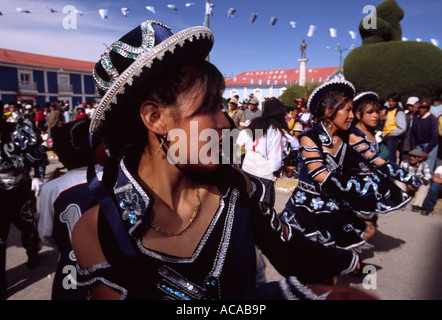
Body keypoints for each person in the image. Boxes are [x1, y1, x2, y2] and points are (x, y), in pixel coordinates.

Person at [71, 20, 365, 300]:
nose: (225, 124)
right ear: (155, 118)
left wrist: (346, 260)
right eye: (208, 107)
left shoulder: (235, 185)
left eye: (222, 106)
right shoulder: (100, 229)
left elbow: (293, 252)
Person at [280, 80, 380, 254]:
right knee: (312, 265)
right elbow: (319, 174)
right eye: (347, 110)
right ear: (329, 112)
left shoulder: (349, 138)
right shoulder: (309, 137)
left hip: (337, 207)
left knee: (335, 263)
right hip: (308, 210)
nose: (352, 116)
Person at [38, 118, 104, 300]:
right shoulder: (115, 176)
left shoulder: (52, 188)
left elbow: (45, 234)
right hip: (113, 264)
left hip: (71, 266)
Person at [347, 92, 422, 243]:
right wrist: (407, 177)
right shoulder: (353, 135)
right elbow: (377, 161)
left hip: (374, 185)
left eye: (377, 111)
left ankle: (354, 258)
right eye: (370, 112)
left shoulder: (374, 133)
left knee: (371, 222)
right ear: (358, 114)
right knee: (365, 227)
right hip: (357, 187)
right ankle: (351, 259)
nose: (375, 115)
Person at [0, 114, 48, 298]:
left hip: (20, 187)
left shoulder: (20, 130)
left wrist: (38, 175)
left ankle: (32, 251)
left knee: (28, 226)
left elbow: (40, 155)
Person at [241, 98, 288, 207]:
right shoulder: (275, 130)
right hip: (263, 174)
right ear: (277, 114)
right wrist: (277, 171)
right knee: (263, 212)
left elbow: (247, 145)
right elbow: (275, 160)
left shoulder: (255, 124)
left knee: (247, 205)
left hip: (247, 168)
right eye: (282, 113)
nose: (284, 116)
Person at [410, 97, 439, 173]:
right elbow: (412, 133)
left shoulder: (432, 119)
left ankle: (427, 183)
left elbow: (435, 136)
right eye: (420, 107)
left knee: (428, 167)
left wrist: (427, 151)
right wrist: (413, 147)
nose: (421, 109)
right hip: (418, 144)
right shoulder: (416, 118)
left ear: (428, 108)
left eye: (424, 108)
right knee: (416, 167)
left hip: (429, 144)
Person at [382, 92, 406, 164]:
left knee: (391, 156)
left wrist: (392, 133)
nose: (390, 103)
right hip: (385, 135)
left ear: (397, 102)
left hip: (392, 137)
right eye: (389, 101)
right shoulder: (389, 110)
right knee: (385, 155)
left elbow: (402, 128)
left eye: (393, 101)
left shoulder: (399, 112)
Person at [400, 97, 420, 162]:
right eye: (408, 105)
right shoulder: (405, 116)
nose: (409, 107)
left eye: (411, 106)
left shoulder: (419, 117)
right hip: (405, 145)